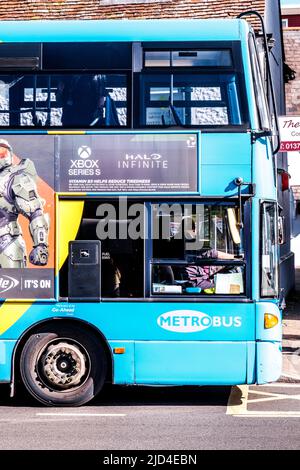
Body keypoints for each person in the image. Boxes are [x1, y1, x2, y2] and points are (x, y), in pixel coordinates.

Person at [0, 139, 49, 268]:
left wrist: (41, 245)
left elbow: (35, 212)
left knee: (14, 285)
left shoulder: (16, 178)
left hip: (7, 241)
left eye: (1, 152)